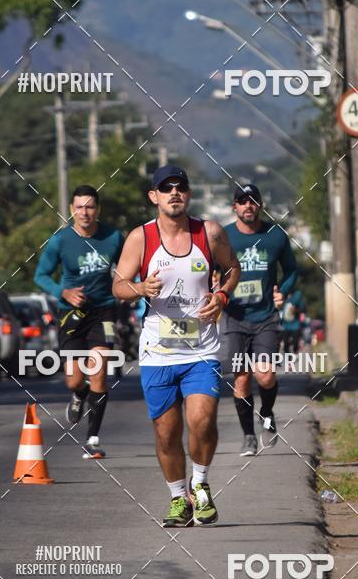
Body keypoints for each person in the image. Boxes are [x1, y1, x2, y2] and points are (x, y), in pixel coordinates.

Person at [113, 165, 240, 527]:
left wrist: (222, 296)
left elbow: (233, 268)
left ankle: (200, 485)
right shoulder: (141, 238)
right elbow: (119, 285)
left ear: (188, 194)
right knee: (166, 433)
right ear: (154, 196)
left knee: (202, 420)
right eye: (165, 188)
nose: (174, 193)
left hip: (201, 349)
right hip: (158, 352)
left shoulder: (209, 232)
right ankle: (177, 499)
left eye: (180, 187)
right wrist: (138, 289)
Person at [34, 185, 124, 459]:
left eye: (90, 207)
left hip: (103, 312)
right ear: (72, 210)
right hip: (71, 315)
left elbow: (129, 267)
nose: (84, 212)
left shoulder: (114, 237)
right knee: (74, 379)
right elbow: (41, 275)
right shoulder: (60, 241)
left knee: (98, 370)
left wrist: (130, 286)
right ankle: (79, 394)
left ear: (98, 210)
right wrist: (63, 292)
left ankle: (92, 438)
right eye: (79, 207)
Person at [220, 183, 298, 456]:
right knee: (241, 379)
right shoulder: (223, 236)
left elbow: (291, 270)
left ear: (260, 205)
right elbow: (208, 269)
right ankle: (249, 437)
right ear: (235, 207)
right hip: (234, 319)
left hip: (265, 317)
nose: (248, 206)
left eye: (253, 201)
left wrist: (283, 292)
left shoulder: (275, 236)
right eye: (243, 201)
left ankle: (267, 413)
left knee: (264, 376)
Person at [281, 288, 307, 353]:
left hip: (295, 324)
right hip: (285, 324)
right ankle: (288, 357)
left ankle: (295, 352)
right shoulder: (282, 295)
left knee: (295, 342)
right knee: (285, 343)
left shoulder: (297, 296)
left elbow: (303, 308)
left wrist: (296, 310)